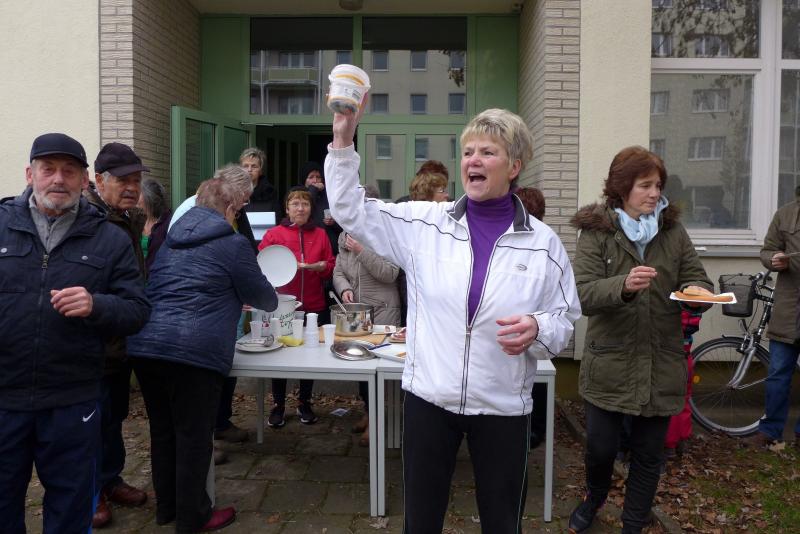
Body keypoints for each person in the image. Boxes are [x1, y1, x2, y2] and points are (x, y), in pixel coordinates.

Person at [326, 106, 580, 532]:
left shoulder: (543, 244)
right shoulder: (424, 224)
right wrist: (342, 142)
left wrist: (539, 328)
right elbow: (351, 211)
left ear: (514, 166)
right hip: (429, 399)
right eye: (467, 152)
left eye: (487, 152)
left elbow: (564, 319)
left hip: (502, 406)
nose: (473, 160)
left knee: (502, 523)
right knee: (421, 522)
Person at [0, 133, 150, 533]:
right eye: (48, 169)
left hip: (73, 398)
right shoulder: (1, 226)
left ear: (84, 180)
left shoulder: (110, 238)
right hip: (5, 396)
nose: (58, 179)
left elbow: (137, 310)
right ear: (30, 174)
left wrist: (96, 305)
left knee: (70, 509)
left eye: (69, 171)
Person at [569, 146, 712, 534]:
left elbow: (696, 277)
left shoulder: (673, 232)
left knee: (649, 455)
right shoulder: (597, 233)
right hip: (610, 362)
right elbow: (581, 295)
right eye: (645, 185)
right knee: (601, 449)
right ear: (622, 187)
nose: (655, 193)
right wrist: (623, 286)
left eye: (658, 185)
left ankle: (633, 523)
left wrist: (697, 293)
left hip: (661, 361)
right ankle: (595, 497)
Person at [128, 177, 278, 532]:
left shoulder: (171, 239)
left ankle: (167, 509)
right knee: (193, 436)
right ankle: (194, 516)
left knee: (164, 431)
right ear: (229, 210)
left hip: (146, 346)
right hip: (193, 352)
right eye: (236, 211)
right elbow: (265, 299)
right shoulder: (233, 244)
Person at [83, 142, 151, 528]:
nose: (131, 187)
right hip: (93, 346)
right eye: (123, 180)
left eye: (136, 180)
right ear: (99, 180)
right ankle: (91, 493)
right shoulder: (88, 220)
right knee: (90, 423)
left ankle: (110, 479)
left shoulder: (125, 219)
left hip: (122, 343)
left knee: (113, 418)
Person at [168, 166, 257, 456]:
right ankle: (203, 443)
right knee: (202, 380)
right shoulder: (192, 212)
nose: (243, 206)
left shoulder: (231, 212)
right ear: (227, 191)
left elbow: (243, 248)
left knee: (226, 367)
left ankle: (220, 422)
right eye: (242, 199)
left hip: (225, 307)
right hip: (198, 314)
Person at [259, 187, 336, 428]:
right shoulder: (274, 234)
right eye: (295, 204)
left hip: (314, 304)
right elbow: (261, 266)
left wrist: (320, 267)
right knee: (279, 355)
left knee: (310, 355)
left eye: (305, 204)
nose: (300, 208)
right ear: (287, 208)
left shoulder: (320, 234)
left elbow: (330, 266)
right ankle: (278, 405)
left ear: (311, 209)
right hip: (283, 306)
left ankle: (305, 402)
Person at [332, 184, 401, 446]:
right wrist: (345, 289)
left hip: (384, 311)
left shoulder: (384, 235)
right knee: (362, 365)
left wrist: (362, 250)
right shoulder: (344, 236)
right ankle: (369, 412)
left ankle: (378, 421)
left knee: (379, 368)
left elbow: (390, 273)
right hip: (359, 314)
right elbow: (338, 270)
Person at [742, 190, 800, 448]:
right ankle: (770, 430)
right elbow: (767, 251)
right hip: (788, 309)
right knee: (777, 375)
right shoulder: (785, 214)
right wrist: (773, 260)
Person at [515, 186, 548, 449]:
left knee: (536, 378)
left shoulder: (544, 245)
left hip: (529, 332)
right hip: (534, 332)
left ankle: (533, 430)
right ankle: (535, 430)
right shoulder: (547, 243)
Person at [299, 160, 342, 254]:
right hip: (310, 246)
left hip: (331, 248)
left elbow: (343, 224)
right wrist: (314, 189)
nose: (315, 180)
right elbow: (307, 204)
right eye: (311, 177)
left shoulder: (329, 196)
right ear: (304, 180)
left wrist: (333, 222)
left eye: (318, 177)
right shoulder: (297, 194)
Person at [138, 177, 172, 276]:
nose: (135, 199)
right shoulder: (136, 220)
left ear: (150, 199)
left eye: (139, 194)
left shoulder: (168, 223)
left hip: (158, 278)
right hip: (137, 278)